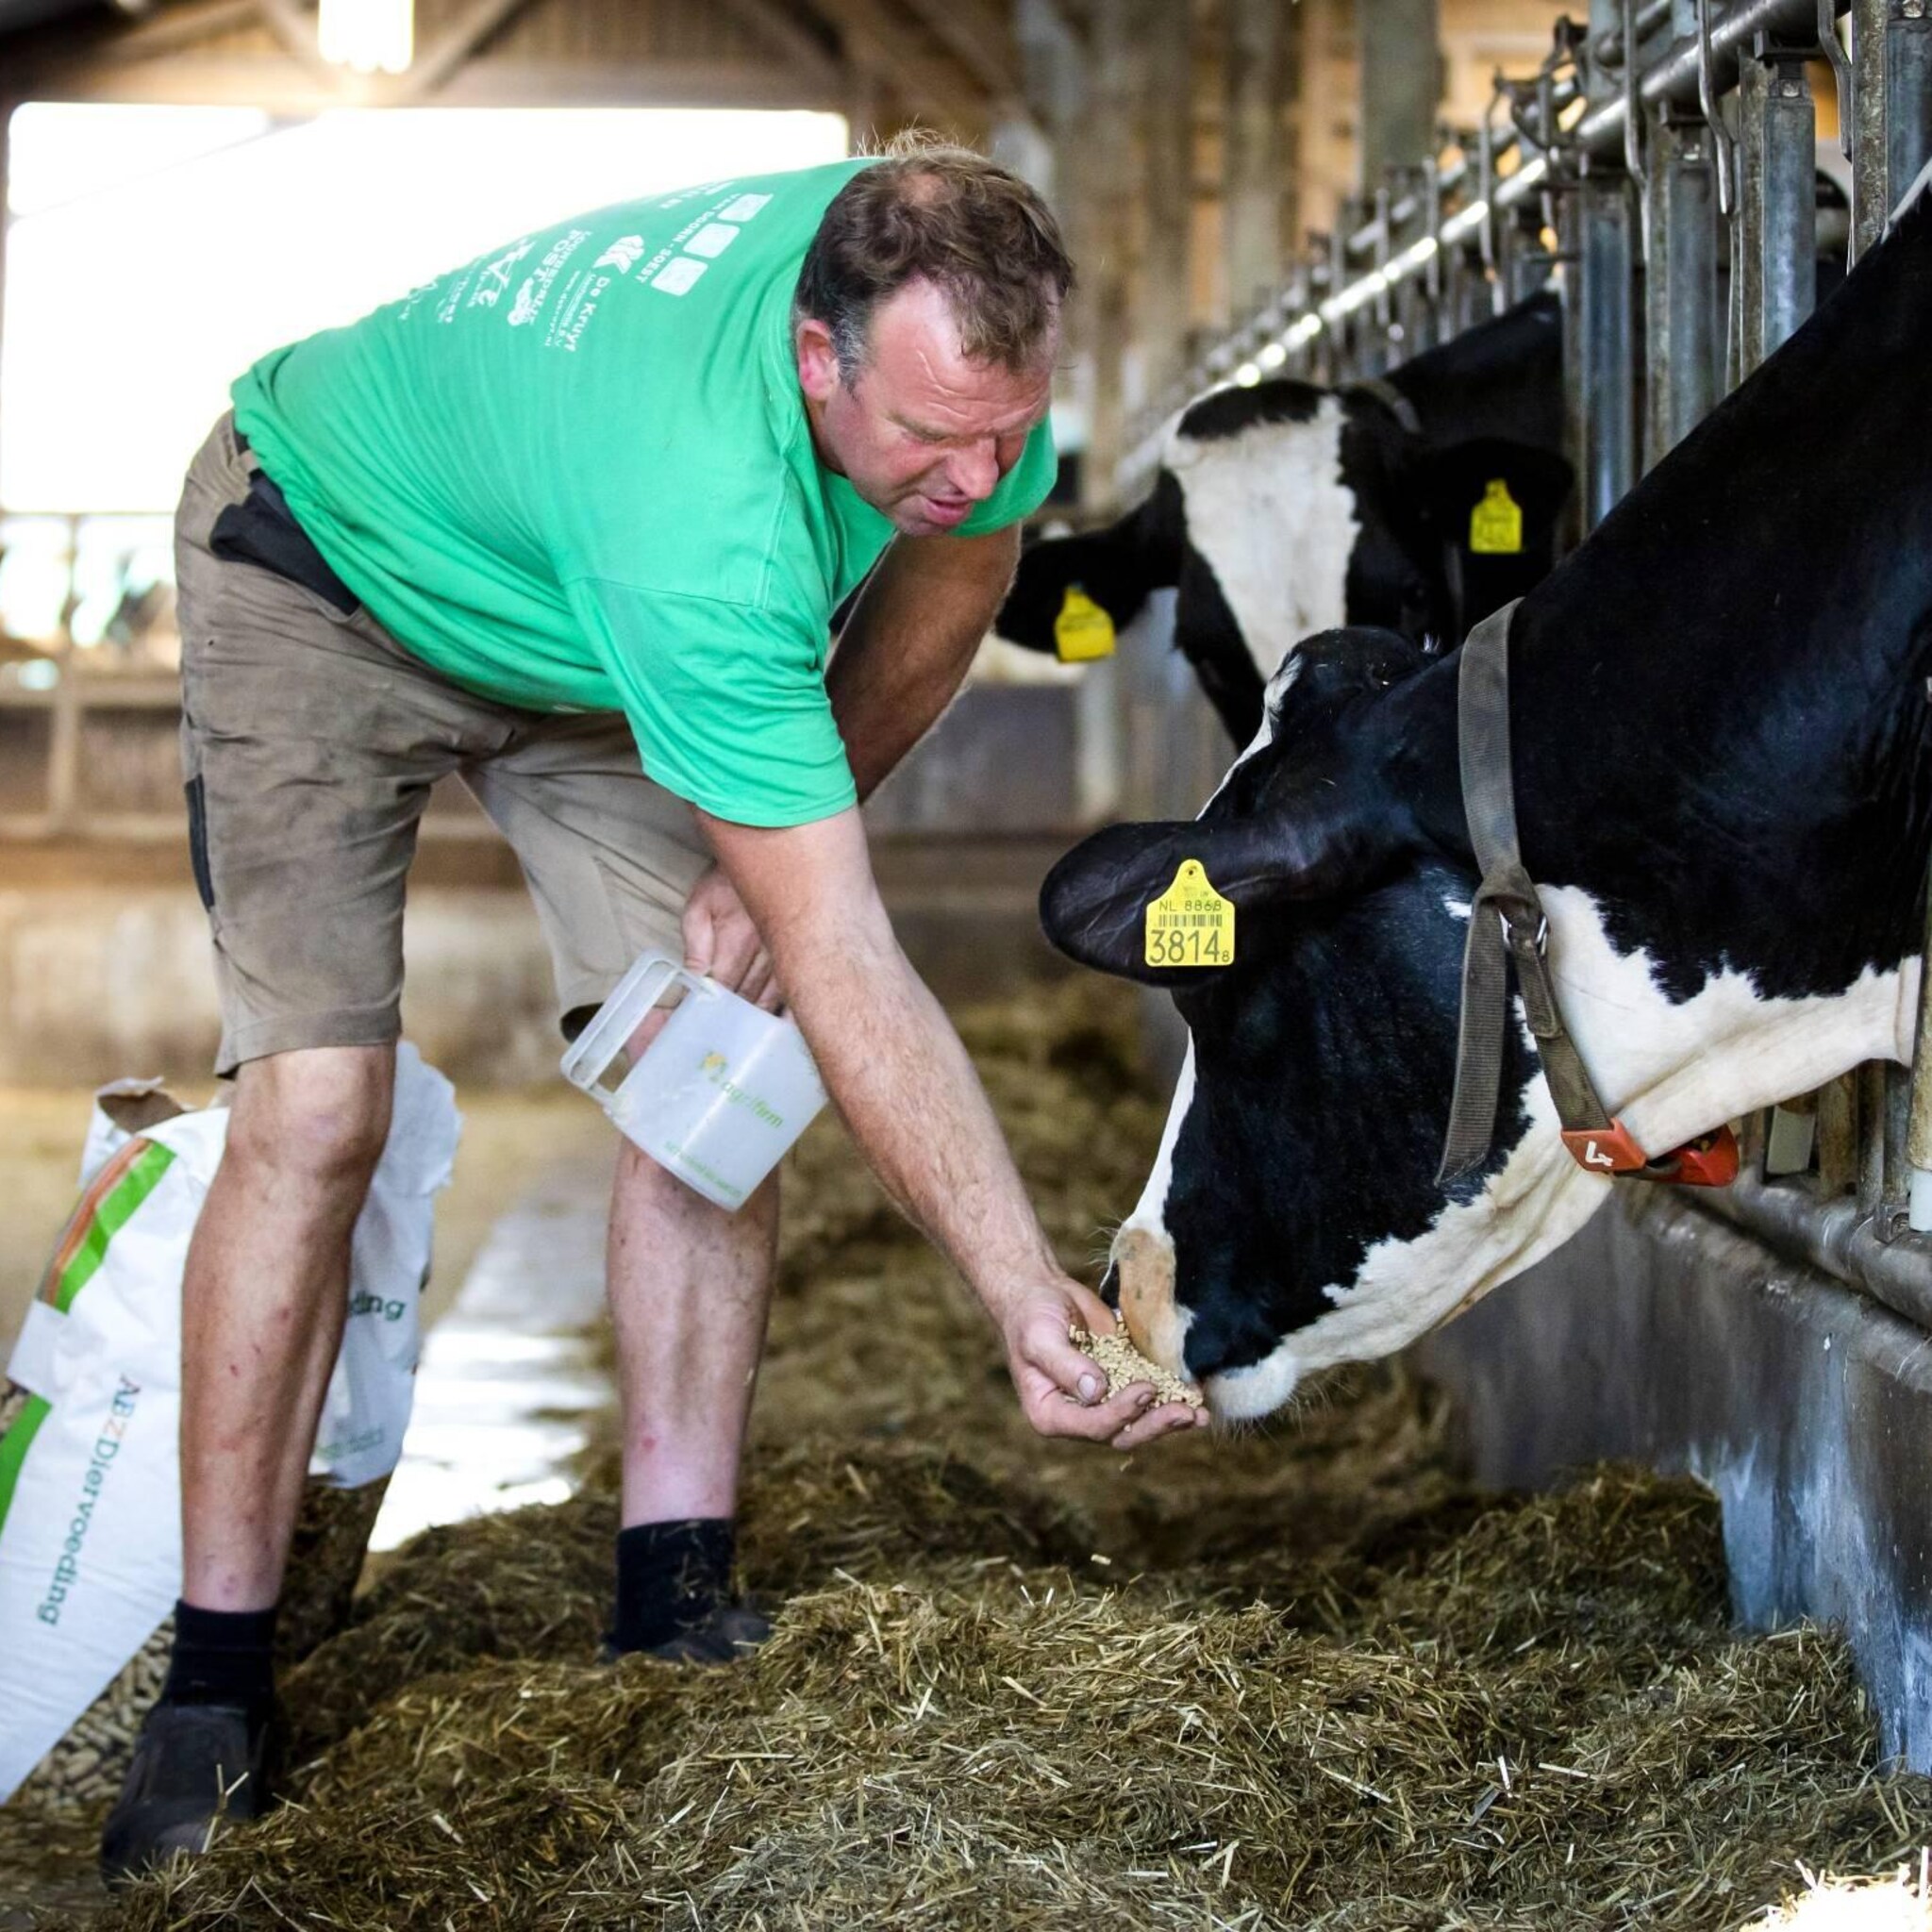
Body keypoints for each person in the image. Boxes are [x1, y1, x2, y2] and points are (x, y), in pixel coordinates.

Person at [100, 137, 1206, 1880]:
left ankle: (671, 1595)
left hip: (577, 627)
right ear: (814, 356)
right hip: (320, 561)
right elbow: (853, 952)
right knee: (321, 1110)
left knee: (712, 1056)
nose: (981, 471)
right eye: (930, 440)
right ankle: (215, 1677)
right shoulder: (702, 507)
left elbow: (964, 570)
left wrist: (787, 819)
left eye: (1014, 429)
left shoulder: (952, 341)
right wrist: (1017, 1288)